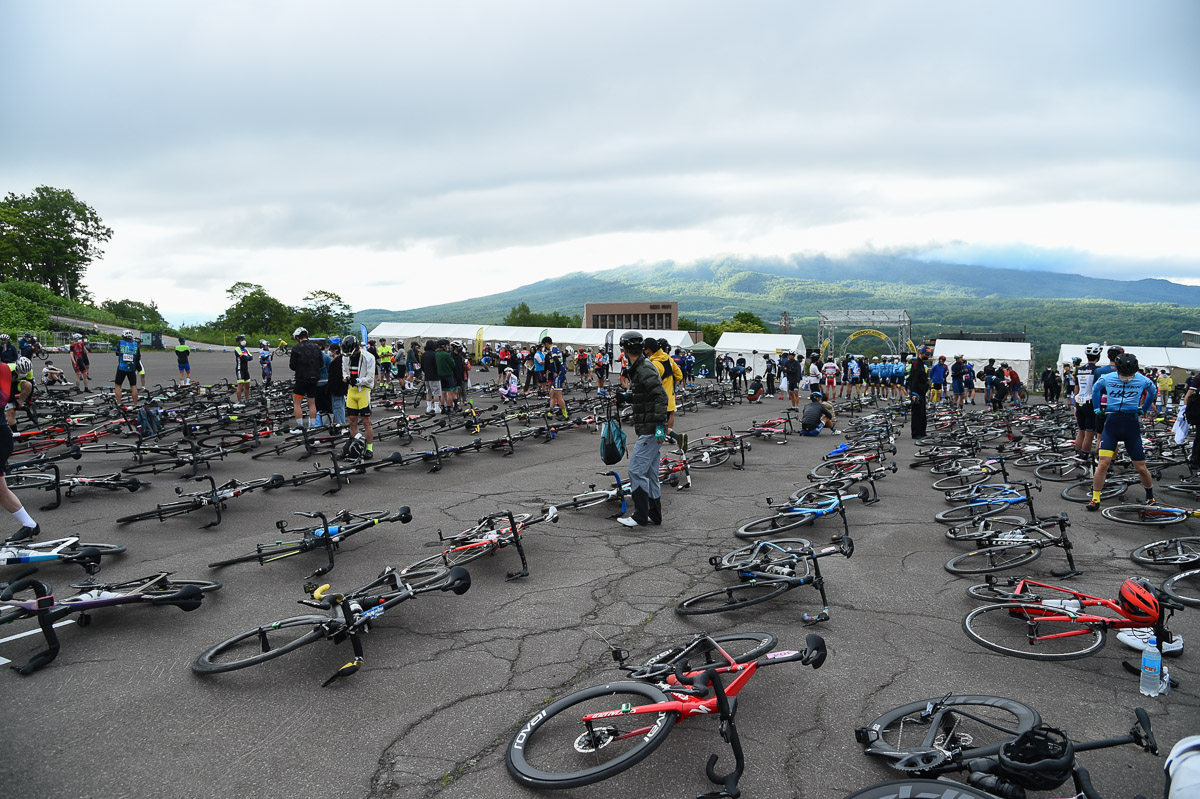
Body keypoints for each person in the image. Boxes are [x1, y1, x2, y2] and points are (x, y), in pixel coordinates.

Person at [1087, 352, 1157, 512]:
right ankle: (1095, 498)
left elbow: (1153, 392)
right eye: (1124, 374)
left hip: (1131, 426)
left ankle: (1150, 497)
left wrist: (1144, 408)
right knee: (1103, 463)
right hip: (1112, 425)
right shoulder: (1108, 377)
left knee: (1140, 467)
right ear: (1118, 370)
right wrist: (1096, 407)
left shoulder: (1143, 380)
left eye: (1130, 374)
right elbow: (1096, 389)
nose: (1127, 377)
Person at [614, 332, 668, 528]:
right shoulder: (640, 367)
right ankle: (654, 514)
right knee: (651, 473)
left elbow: (661, 397)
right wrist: (626, 397)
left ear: (625, 350)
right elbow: (644, 394)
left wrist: (661, 427)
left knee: (636, 471)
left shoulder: (644, 368)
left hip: (651, 428)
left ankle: (640, 516)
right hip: (650, 427)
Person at [0, 359, 41, 541]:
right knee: (1, 490)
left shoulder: (3, 370)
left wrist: (21, 402)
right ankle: (30, 525)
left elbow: (3, 397)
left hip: (0, 437)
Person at [340, 335, 376, 458]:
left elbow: (371, 378)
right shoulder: (345, 356)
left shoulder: (368, 357)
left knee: (366, 421)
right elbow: (344, 371)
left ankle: (369, 448)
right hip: (351, 391)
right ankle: (355, 444)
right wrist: (346, 378)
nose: (349, 356)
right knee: (352, 421)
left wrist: (358, 380)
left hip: (363, 391)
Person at [1071, 343, 1104, 461]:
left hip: (1079, 401)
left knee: (1081, 431)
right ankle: (1084, 456)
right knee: (1089, 433)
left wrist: (1074, 405)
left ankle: (1077, 453)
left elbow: (1076, 388)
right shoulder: (1098, 371)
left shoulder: (1079, 370)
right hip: (1091, 403)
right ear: (1098, 356)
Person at [646, 337, 683, 436]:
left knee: (656, 426)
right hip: (670, 394)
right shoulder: (668, 359)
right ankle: (671, 435)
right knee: (670, 414)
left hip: (658, 397)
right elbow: (679, 375)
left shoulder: (654, 363)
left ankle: (670, 435)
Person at [288, 327, 322, 432]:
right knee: (312, 403)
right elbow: (321, 364)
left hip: (301, 378)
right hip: (314, 378)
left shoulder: (296, 349)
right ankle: (312, 426)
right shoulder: (316, 348)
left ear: (298, 337)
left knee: (297, 403)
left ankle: (300, 427)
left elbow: (292, 366)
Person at [907, 347, 931, 439]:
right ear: (921, 353)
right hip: (917, 392)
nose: (927, 356)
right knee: (917, 413)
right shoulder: (916, 363)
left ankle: (922, 432)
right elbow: (914, 379)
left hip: (922, 391)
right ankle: (916, 433)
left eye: (928, 355)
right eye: (926, 354)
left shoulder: (921, 364)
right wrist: (913, 393)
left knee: (922, 413)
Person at [114, 329, 141, 407]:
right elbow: (138, 357)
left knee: (118, 385)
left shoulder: (121, 342)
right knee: (133, 386)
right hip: (132, 367)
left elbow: (117, 352)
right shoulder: (136, 344)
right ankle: (135, 404)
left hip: (122, 366)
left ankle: (119, 403)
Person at [327, 339, 347, 426]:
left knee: (337, 407)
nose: (329, 352)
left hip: (337, 389)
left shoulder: (337, 361)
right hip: (340, 388)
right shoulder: (341, 360)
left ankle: (341, 424)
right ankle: (341, 423)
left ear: (335, 350)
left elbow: (335, 376)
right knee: (340, 406)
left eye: (330, 350)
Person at [435, 339, 458, 413]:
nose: (448, 347)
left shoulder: (437, 354)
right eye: (447, 345)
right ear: (444, 346)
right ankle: (448, 407)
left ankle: (442, 407)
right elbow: (453, 364)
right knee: (450, 392)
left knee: (442, 392)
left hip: (440, 375)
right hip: (448, 375)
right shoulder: (446, 355)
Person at [421, 340, 442, 414]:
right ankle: (436, 407)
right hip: (435, 376)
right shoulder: (435, 354)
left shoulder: (423, 355)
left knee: (428, 392)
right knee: (436, 392)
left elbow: (422, 366)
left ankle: (429, 407)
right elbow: (437, 366)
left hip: (427, 376)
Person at [233, 335, 253, 405]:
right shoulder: (237, 349)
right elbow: (243, 357)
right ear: (238, 341)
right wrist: (246, 357)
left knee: (247, 385)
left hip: (246, 369)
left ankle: (247, 400)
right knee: (240, 385)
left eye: (243, 339)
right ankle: (239, 401)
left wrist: (246, 357)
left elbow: (251, 357)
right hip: (240, 369)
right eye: (241, 340)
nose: (243, 341)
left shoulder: (246, 349)